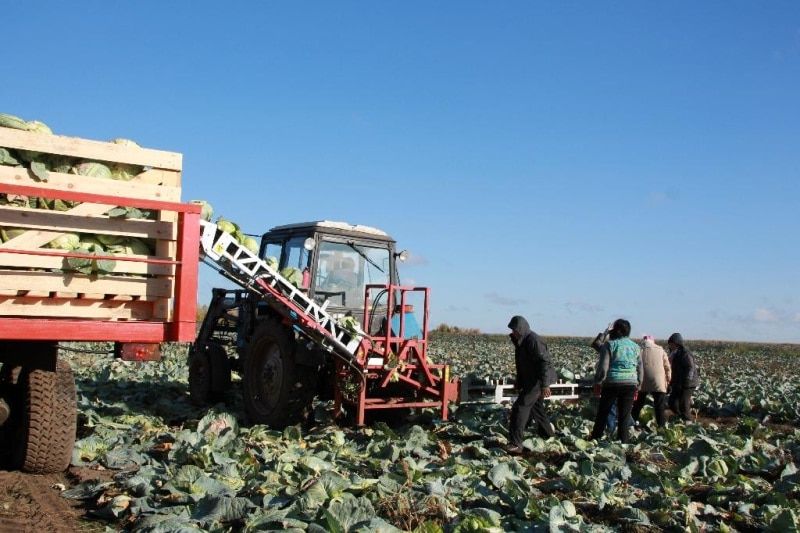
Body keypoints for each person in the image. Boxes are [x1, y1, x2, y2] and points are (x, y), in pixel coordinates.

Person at [505, 315, 557, 454]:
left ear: (521, 329)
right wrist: (519, 381)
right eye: (512, 330)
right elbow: (522, 364)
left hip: (538, 380)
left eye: (515, 330)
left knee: (520, 407)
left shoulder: (533, 340)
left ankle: (516, 443)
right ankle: (548, 435)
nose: (513, 332)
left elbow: (544, 362)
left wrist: (545, 385)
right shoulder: (521, 341)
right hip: (531, 379)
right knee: (536, 409)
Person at [589, 319, 643, 443]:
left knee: (603, 412)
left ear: (615, 330)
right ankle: (624, 442)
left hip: (612, 383)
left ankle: (595, 438)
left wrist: (598, 382)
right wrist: (638, 386)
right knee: (624, 416)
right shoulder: (636, 347)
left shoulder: (610, 345)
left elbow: (603, 367)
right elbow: (640, 368)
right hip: (630, 384)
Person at [631, 335, 671, 428]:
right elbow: (667, 367)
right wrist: (668, 380)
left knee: (638, 404)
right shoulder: (661, 350)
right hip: (658, 382)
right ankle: (661, 426)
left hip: (642, 381)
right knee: (659, 405)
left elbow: (634, 366)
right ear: (653, 342)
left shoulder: (639, 350)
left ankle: (631, 423)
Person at [667, 332, 699, 421]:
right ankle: (680, 417)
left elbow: (690, 368)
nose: (670, 346)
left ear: (677, 343)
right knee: (672, 402)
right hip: (678, 383)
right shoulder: (674, 353)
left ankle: (688, 421)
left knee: (683, 403)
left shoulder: (685, 353)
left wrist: (687, 381)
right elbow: (674, 370)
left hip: (688, 383)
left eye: (671, 343)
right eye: (669, 344)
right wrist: (671, 383)